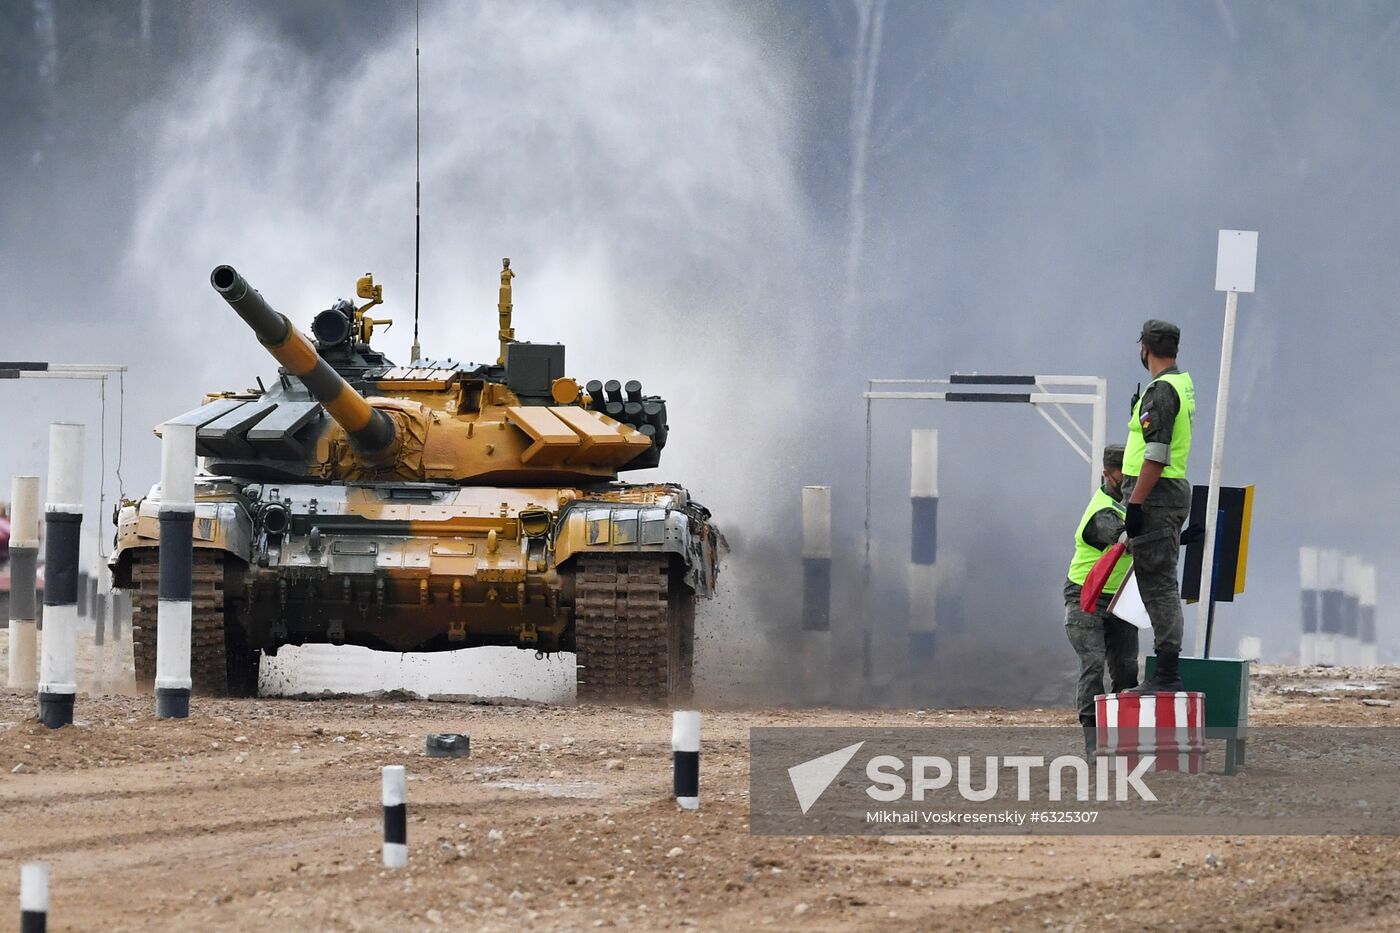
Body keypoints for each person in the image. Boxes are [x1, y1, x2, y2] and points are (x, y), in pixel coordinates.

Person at [1121, 320, 1195, 694]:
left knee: (1159, 584)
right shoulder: (1180, 383)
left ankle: (1166, 675)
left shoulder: (1162, 391)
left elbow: (1156, 454)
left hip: (1155, 496)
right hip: (1165, 495)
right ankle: (1166, 672)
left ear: (1144, 348)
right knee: (1158, 581)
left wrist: (1135, 504)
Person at [1064, 444, 1137, 754]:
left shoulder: (1135, 502)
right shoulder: (1101, 510)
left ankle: (1122, 742)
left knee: (1126, 671)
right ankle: (1094, 745)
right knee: (1093, 666)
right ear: (1108, 474)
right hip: (1086, 596)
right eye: (1123, 471)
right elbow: (1125, 538)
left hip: (1120, 597)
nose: (1129, 476)